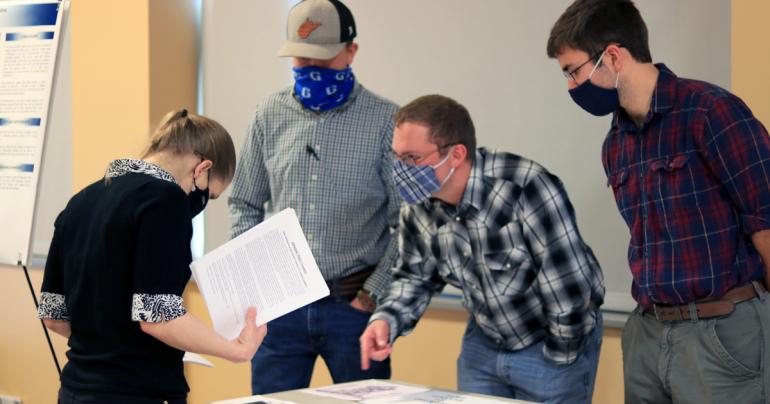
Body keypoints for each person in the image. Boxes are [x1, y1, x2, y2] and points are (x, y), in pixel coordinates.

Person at [547, 1, 770, 402]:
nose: (570, 86)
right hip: (648, 332)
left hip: (721, 331)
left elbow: (766, 219)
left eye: (572, 71)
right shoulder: (615, 143)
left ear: (612, 56)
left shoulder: (710, 111)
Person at [360, 95, 605, 404]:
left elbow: (568, 286)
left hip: (548, 342)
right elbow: (413, 278)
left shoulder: (524, 186)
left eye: (412, 158)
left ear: (456, 154)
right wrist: (385, 320)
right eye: (396, 157)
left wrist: (560, 355)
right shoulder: (417, 206)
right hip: (484, 341)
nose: (400, 170)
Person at [228, 0, 400, 394]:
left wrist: (372, 295)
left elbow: (407, 223)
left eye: (322, 59)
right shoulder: (269, 114)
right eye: (301, 59)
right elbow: (244, 204)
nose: (310, 69)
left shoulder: (386, 121)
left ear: (351, 50)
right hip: (281, 309)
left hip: (354, 306)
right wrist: (257, 279)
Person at [38, 110, 267, 404]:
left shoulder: (81, 200)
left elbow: (53, 315)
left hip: (74, 389)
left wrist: (107, 345)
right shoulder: (165, 200)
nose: (199, 204)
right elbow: (158, 317)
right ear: (202, 168)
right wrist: (236, 350)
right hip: (138, 392)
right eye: (209, 195)